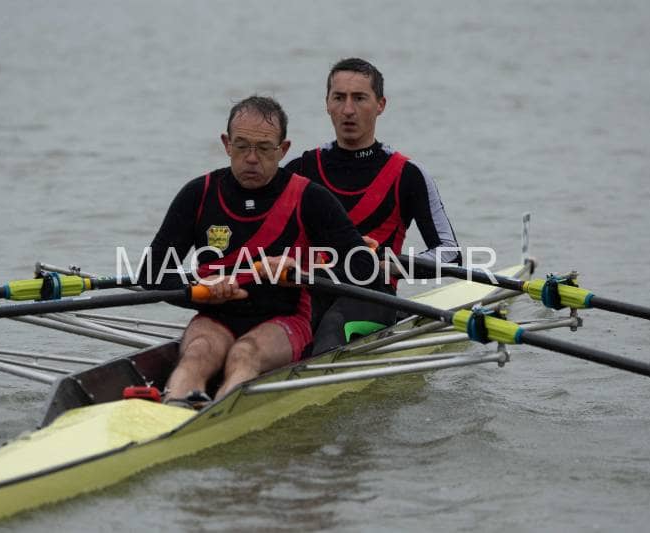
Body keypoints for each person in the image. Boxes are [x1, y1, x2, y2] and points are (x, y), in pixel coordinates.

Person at [140, 95, 378, 406]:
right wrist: (199, 288)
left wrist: (301, 273)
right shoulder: (198, 194)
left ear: (283, 149)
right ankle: (173, 412)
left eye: (264, 148)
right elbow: (151, 274)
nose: (252, 158)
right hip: (215, 317)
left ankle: (216, 420)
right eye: (241, 146)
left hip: (284, 319)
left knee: (245, 353)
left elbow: (363, 268)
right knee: (197, 354)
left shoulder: (311, 198)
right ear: (226, 144)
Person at [285, 58, 462, 354]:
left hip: (373, 296)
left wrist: (388, 264)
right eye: (339, 98)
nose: (348, 109)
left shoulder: (408, 174)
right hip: (310, 288)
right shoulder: (299, 169)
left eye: (359, 98)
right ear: (327, 104)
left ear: (380, 105)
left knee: (331, 326)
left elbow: (450, 254)